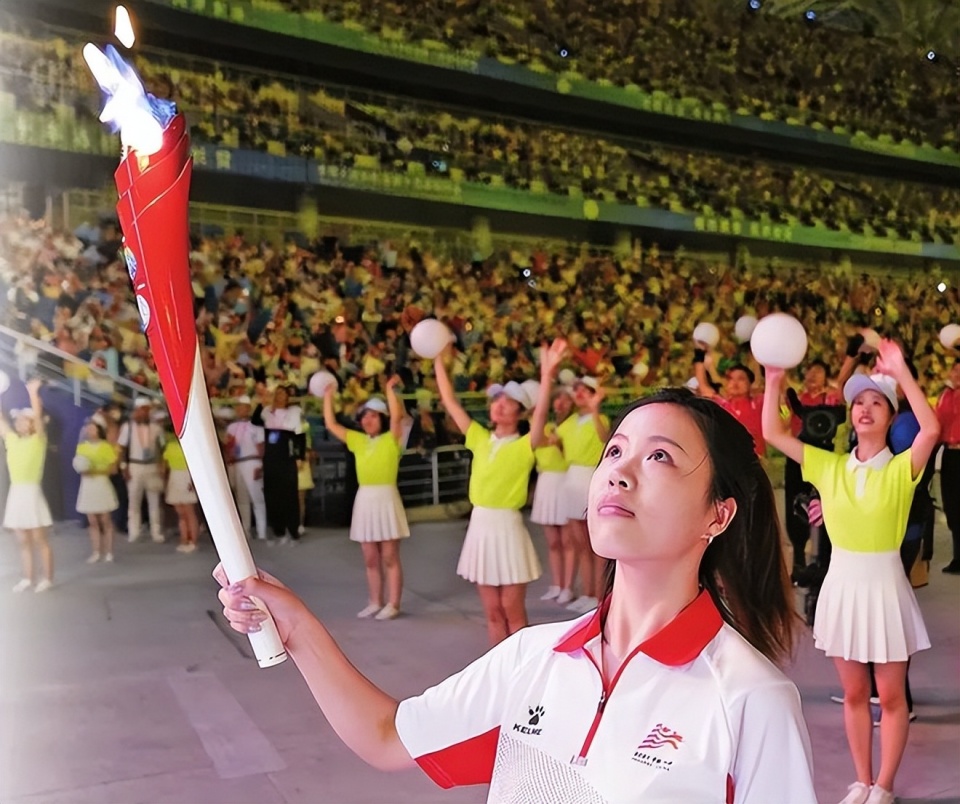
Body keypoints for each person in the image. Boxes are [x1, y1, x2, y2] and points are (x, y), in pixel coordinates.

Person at [216, 380, 815, 802]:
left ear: (718, 514)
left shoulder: (748, 697)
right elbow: (387, 736)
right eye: (615, 450)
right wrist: (294, 628)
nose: (618, 471)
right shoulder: (532, 657)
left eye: (659, 456)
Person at [761, 339, 939, 804]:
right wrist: (774, 381)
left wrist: (900, 370)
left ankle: (885, 785)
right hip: (841, 588)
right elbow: (774, 434)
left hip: (885, 589)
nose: (864, 409)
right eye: (858, 402)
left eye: (876, 402)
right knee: (855, 693)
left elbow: (932, 429)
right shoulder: (830, 467)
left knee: (892, 697)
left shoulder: (903, 469)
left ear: (890, 415)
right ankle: (862, 780)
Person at [434, 350, 546, 645]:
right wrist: (438, 362)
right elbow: (449, 400)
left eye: (508, 403)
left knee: (513, 610)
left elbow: (542, 413)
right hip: (480, 527)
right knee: (493, 612)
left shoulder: (525, 444)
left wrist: (547, 373)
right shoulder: (479, 437)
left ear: (521, 413)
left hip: (507, 528)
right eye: (497, 401)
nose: (499, 406)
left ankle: (521, 672)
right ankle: (498, 675)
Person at [322, 377, 409, 620]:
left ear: (380, 419)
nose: (368, 420)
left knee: (390, 556)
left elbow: (397, 417)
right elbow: (330, 424)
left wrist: (390, 390)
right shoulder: (358, 441)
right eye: (365, 416)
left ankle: (393, 603)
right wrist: (328, 395)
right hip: (365, 499)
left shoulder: (392, 439)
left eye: (374, 416)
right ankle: (374, 601)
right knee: (370, 557)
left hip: (386, 497)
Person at [538, 374, 609, 613]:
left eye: (585, 391)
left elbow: (604, 438)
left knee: (595, 544)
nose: (580, 394)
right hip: (571, 478)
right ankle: (588, 593)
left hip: (590, 476)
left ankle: (600, 597)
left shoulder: (601, 419)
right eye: (577, 390)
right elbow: (545, 441)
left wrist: (595, 409)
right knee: (579, 543)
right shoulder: (567, 424)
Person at [2, 379, 54, 592]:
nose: (20, 423)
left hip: (31, 492)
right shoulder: (12, 439)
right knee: (22, 540)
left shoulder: (38, 440)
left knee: (39, 539)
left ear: (32, 423)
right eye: (19, 421)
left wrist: (32, 392)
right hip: (16, 493)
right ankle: (27, 578)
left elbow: (39, 416)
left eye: (25, 420)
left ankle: (47, 578)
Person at [531, 385, 574, 603]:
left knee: (567, 541)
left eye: (566, 400)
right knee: (553, 542)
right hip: (545, 483)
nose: (560, 404)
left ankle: (568, 586)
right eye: (557, 399)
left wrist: (559, 445)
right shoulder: (543, 427)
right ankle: (556, 584)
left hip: (564, 480)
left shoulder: (572, 427)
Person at [254, 385, 305, 544]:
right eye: (277, 393)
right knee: (273, 494)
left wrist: (299, 457)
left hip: (286, 456)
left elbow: (300, 436)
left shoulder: (294, 412)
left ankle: (293, 530)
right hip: (271, 456)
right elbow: (255, 421)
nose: (280, 396)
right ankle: (279, 531)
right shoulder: (267, 411)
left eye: (283, 393)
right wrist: (261, 403)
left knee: (289, 494)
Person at [117, 397, 166, 543]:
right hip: (135, 466)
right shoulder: (128, 427)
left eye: (147, 409)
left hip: (152, 465)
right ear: (136, 410)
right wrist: (123, 467)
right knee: (134, 501)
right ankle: (134, 531)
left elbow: (161, 447)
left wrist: (162, 464)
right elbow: (121, 449)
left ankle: (156, 531)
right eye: (142, 409)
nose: (144, 412)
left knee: (154, 501)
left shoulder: (157, 428)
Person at [74, 416, 120, 563]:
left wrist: (95, 471)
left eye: (93, 428)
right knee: (92, 521)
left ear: (99, 430)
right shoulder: (81, 447)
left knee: (105, 520)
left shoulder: (106, 447)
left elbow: (113, 469)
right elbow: (78, 465)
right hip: (87, 486)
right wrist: (83, 469)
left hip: (101, 484)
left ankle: (109, 551)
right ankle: (96, 551)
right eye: (88, 428)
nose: (90, 430)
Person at [225, 395, 267, 541]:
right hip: (237, 463)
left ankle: (262, 532)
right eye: (237, 406)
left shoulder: (256, 426)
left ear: (248, 408)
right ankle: (245, 531)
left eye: (242, 406)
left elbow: (261, 447)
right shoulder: (232, 427)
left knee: (257, 498)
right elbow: (229, 447)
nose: (239, 409)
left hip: (252, 462)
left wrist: (261, 466)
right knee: (241, 499)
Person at [935, 359, 960, 574]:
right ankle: (958, 557)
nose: (957, 374)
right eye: (955, 371)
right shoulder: (945, 396)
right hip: (950, 453)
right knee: (952, 505)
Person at [162, 435, 200, 553]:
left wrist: (194, 481)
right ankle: (184, 539)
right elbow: (165, 465)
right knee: (181, 513)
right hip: (174, 477)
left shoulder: (191, 444)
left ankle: (193, 541)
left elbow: (196, 464)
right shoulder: (170, 446)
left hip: (186, 475)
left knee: (189, 512)